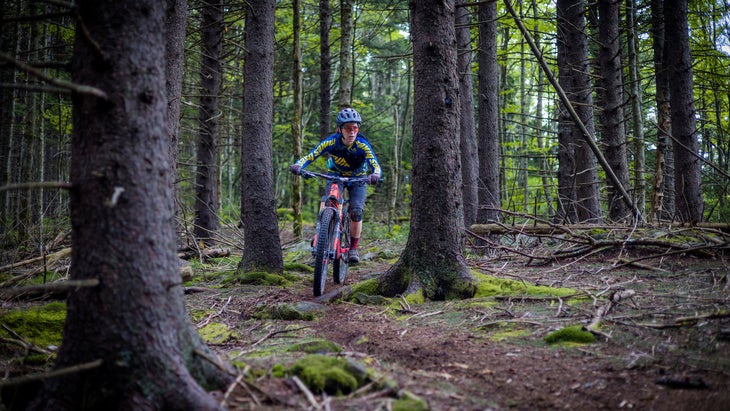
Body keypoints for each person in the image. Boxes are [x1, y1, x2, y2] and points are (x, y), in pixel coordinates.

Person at [290, 108, 381, 264]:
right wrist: (299, 166)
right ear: (340, 129)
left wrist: (375, 175)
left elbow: (375, 164)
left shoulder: (362, 144)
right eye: (348, 128)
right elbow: (312, 155)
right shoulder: (331, 141)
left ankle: (353, 248)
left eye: (355, 128)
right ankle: (321, 238)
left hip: (358, 178)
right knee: (329, 201)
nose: (352, 132)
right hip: (335, 174)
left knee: (356, 211)